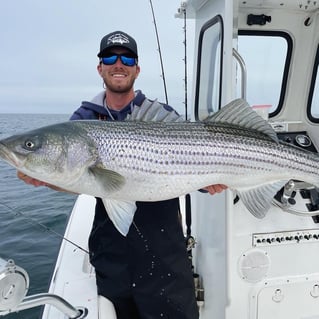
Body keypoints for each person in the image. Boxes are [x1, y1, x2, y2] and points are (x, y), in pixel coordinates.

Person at [18, 31, 227, 319]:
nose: (119, 63)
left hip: (164, 252)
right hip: (112, 254)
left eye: (127, 57)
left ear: (137, 69)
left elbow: (191, 159)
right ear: (100, 67)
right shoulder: (82, 121)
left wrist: (208, 183)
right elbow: (78, 178)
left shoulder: (161, 113)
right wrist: (48, 179)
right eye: (110, 57)